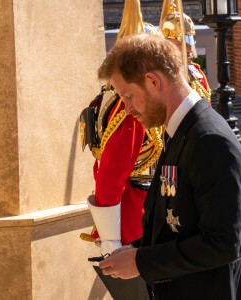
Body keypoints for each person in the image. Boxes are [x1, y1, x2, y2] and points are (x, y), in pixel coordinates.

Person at [96, 34, 241, 300]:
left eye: (128, 96)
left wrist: (141, 261)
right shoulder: (180, 132)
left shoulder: (210, 140)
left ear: (153, 81)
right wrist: (134, 250)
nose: (126, 109)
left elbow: (222, 243)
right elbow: (179, 225)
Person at [79, 0, 163, 258]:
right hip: (133, 213)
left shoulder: (117, 96)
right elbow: (111, 175)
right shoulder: (128, 109)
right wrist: (112, 239)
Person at [159, 0, 211, 104]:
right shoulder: (158, 78)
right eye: (181, 44)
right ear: (167, 45)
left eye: (190, 44)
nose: (189, 50)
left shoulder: (197, 73)